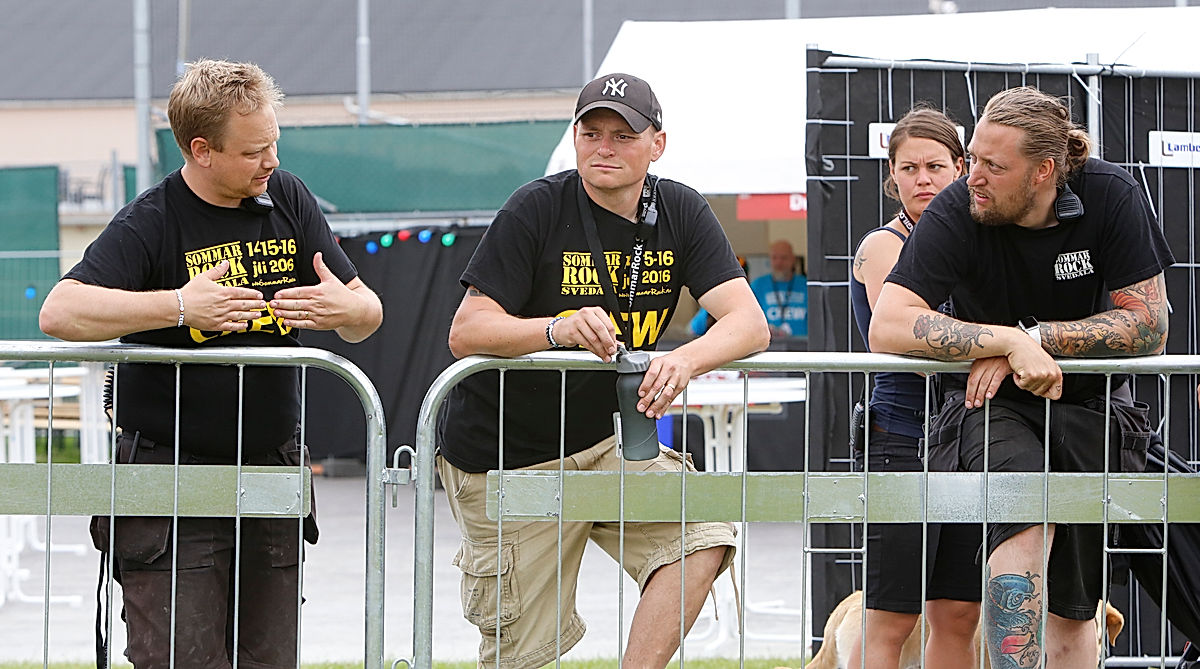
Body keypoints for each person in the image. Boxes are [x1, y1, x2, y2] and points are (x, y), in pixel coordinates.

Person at [38, 59, 383, 668]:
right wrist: (178, 305)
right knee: (182, 660)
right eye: (254, 152)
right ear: (201, 150)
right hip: (169, 479)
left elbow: (367, 313)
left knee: (270, 661)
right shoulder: (153, 219)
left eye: (274, 143)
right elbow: (59, 312)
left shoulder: (291, 199)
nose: (271, 161)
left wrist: (345, 310)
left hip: (270, 472)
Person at [437, 72, 769, 669]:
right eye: (591, 133)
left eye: (623, 134)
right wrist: (553, 328)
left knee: (702, 538)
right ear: (575, 139)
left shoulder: (681, 208)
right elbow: (466, 329)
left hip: (601, 444)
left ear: (657, 144)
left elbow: (749, 322)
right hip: (506, 457)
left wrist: (684, 359)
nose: (604, 148)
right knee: (524, 654)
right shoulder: (537, 205)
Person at [870, 86, 1172, 669]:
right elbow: (889, 324)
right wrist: (1005, 341)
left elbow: (1150, 324)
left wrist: (1037, 339)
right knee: (1022, 528)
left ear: (1044, 172)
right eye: (973, 157)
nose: (972, 176)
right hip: (993, 402)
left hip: (1091, 410)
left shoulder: (1109, 193)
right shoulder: (962, 206)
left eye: (992, 165)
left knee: (1074, 614)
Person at [848, 107, 981, 669]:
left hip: (969, 435)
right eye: (908, 168)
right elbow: (904, 336)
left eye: (934, 165)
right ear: (892, 175)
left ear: (961, 167)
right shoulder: (884, 245)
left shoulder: (979, 240)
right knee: (892, 616)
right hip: (900, 437)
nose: (922, 178)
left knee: (958, 613)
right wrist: (1004, 343)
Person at [749, 239, 807, 338]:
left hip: (803, 345)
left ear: (793, 259)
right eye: (774, 258)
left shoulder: (806, 284)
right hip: (769, 346)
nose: (779, 263)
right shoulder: (758, 285)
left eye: (784, 258)